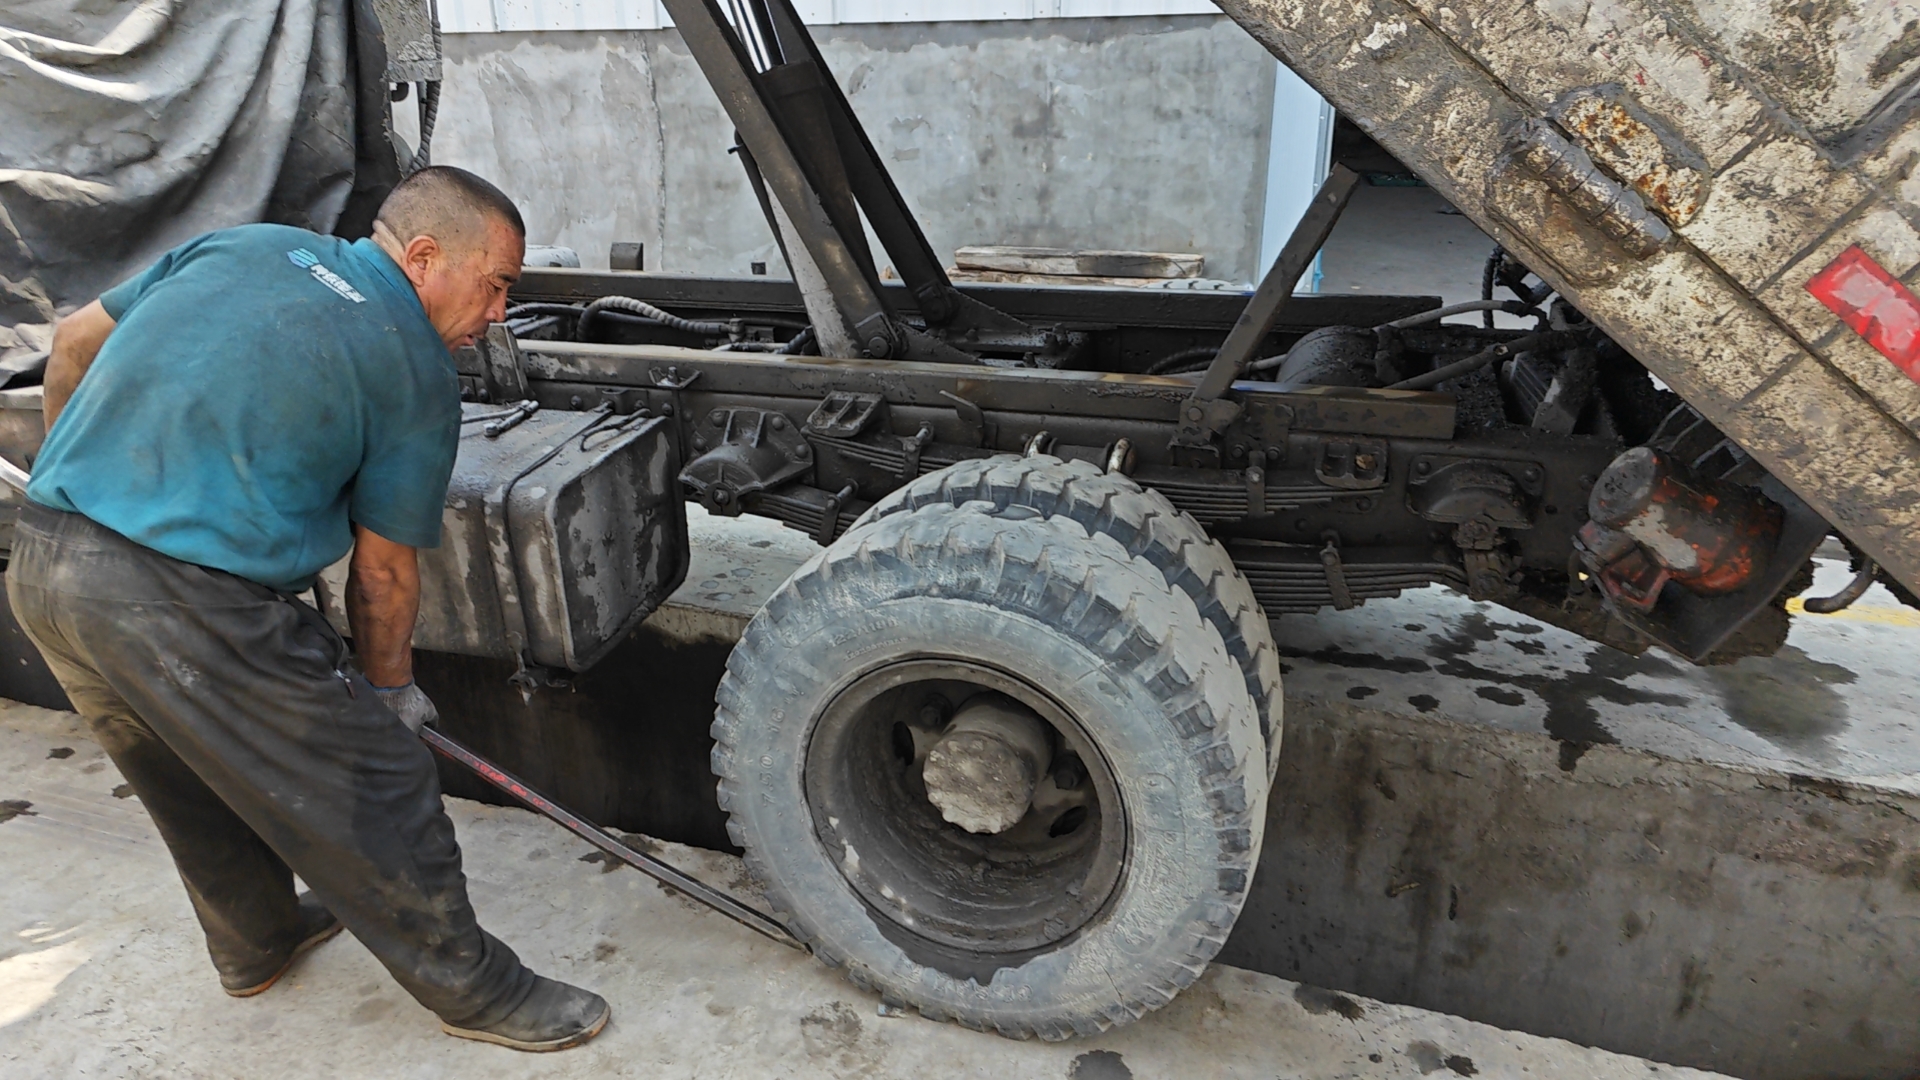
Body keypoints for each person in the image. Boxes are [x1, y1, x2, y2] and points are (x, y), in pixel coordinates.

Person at [7, 166, 610, 1052]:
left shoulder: (247, 245)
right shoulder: (413, 368)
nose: (498, 314)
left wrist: (78, 482)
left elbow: (71, 342)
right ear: (425, 256)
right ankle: (479, 993)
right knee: (384, 780)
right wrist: (390, 695)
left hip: (44, 565)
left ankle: (257, 942)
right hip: (182, 601)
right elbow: (384, 574)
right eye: (496, 285)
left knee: (180, 773)